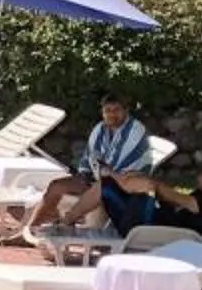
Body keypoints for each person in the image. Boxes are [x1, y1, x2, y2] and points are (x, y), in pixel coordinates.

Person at [33, 93, 155, 230]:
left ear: (126, 111)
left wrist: (99, 173)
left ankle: (65, 224)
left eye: (117, 110)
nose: (112, 114)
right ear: (102, 113)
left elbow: (116, 170)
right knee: (56, 186)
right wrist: (81, 177)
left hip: (127, 186)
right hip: (100, 180)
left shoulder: (134, 130)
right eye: (107, 111)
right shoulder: (100, 129)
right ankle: (31, 229)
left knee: (100, 187)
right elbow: (89, 160)